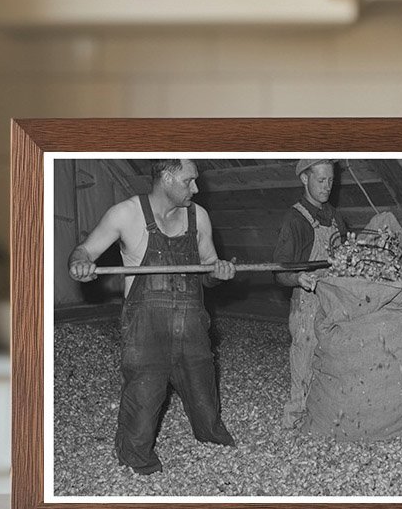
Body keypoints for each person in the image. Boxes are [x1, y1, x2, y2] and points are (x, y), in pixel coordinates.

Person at [68, 158, 237, 475]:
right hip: (146, 334)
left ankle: (210, 436)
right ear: (166, 177)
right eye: (188, 180)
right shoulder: (126, 214)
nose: (196, 188)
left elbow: (208, 271)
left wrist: (218, 272)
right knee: (141, 411)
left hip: (192, 328)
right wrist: (80, 264)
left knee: (205, 402)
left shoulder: (198, 217)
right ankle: (134, 456)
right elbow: (84, 252)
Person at [273, 158, 346, 429]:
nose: (327, 186)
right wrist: (297, 277)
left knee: (333, 362)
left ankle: (325, 418)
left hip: (334, 302)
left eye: (330, 180)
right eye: (321, 180)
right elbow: (279, 271)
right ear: (305, 179)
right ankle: (294, 419)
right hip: (307, 306)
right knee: (304, 364)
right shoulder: (294, 220)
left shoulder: (336, 217)